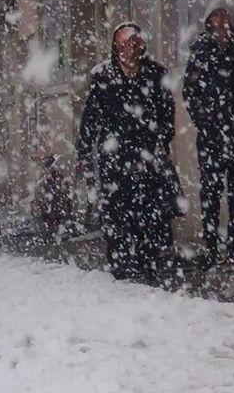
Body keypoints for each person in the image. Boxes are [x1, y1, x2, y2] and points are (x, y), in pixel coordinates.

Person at [75, 22, 176, 282]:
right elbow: (91, 116)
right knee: (116, 207)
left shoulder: (155, 74)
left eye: (136, 42)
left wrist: (162, 142)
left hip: (146, 152)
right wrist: (83, 148)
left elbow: (166, 112)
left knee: (149, 207)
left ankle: (149, 259)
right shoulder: (103, 76)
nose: (132, 48)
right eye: (127, 43)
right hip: (115, 155)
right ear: (117, 47)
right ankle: (120, 259)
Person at [183, 0, 234, 266]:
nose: (221, 21)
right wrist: (205, 121)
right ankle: (210, 246)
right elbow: (190, 92)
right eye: (216, 15)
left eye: (225, 15)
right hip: (211, 137)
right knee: (210, 193)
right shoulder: (200, 51)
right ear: (208, 20)